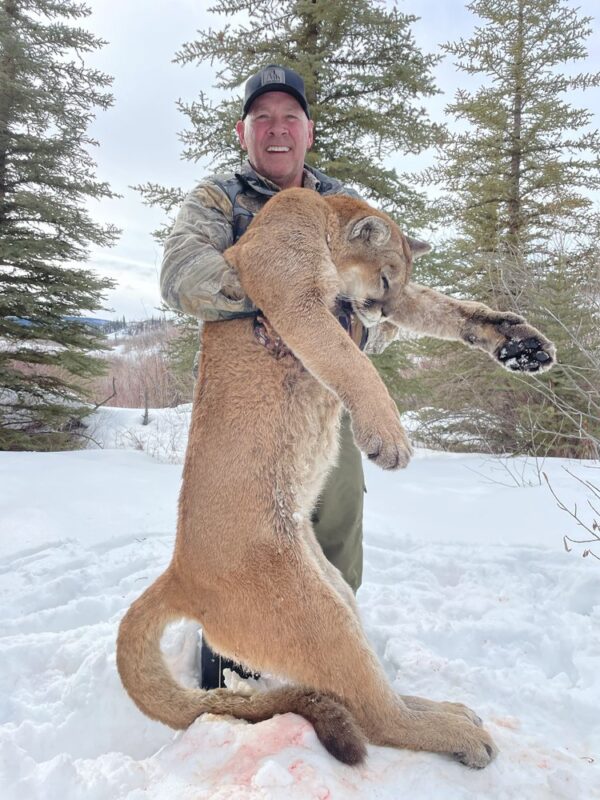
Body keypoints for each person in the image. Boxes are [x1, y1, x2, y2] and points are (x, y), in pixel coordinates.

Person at [160, 64, 397, 689]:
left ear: (308, 131)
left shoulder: (341, 207)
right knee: (240, 529)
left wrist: (354, 331)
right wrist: (275, 297)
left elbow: (382, 301)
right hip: (243, 403)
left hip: (322, 392)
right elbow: (182, 278)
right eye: (261, 117)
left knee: (335, 519)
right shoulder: (217, 198)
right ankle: (232, 653)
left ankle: (330, 658)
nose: (276, 129)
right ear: (244, 132)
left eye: (289, 116)